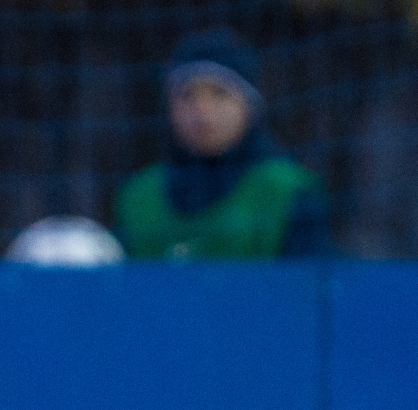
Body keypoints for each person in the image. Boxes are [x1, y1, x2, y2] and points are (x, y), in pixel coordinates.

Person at [116, 27, 332, 260]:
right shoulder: (139, 196)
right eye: (187, 94)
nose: (202, 110)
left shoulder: (287, 192)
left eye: (219, 93)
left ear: (249, 104)